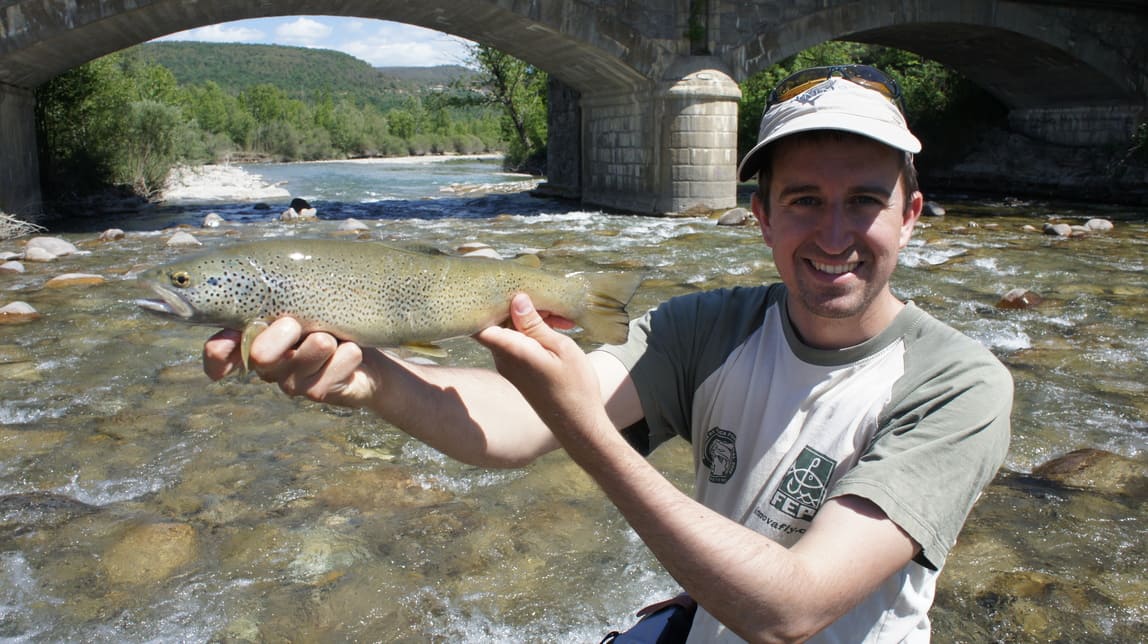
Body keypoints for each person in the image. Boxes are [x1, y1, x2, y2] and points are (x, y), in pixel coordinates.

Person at [202, 65, 1012, 643]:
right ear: (760, 217)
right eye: (804, 200)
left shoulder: (960, 386)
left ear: (911, 215)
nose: (834, 234)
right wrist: (369, 372)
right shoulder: (708, 327)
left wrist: (587, 436)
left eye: (864, 201)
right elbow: (515, 424)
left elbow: (790, 613)